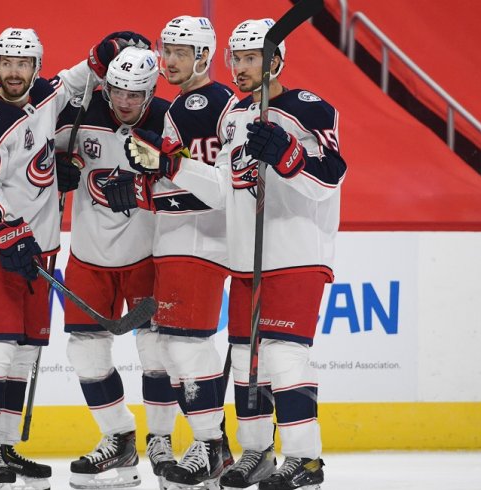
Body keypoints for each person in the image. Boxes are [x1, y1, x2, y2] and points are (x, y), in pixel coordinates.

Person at [124, 18, 347, 490]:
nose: (242, 68)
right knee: (248, 362)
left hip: (297, 252)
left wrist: (290, 158)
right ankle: (257, 452)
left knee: (283, 358)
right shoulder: (235, 118)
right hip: (248, 259)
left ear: (276, 61)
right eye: (237, 58)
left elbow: (331, 178)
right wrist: (170, 165)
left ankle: (306, 459)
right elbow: (223, 188)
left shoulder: (309, 108)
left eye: (253, 58)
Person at [0, 27, 146, 490]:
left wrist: (104, 52)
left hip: (38, 250)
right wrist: (6, 228)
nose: (13, 73)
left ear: (35, 67)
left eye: (22, 64)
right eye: (5, 63)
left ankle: (2, 448)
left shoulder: (47, 95)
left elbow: (81, 77)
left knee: (23, 354)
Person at [113, 15, 241, 490]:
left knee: (186, 346)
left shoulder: (219, 104)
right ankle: (213, 446)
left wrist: (163, 169)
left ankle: (211, 447)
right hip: (174, 239)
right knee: (174, 347)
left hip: (201, 240)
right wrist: (137, 186)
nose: (167, 61)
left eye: (179, 53)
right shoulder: (180, 106)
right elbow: (170, 178)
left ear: (204, 56)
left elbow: (224, 186)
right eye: (166, 51)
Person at [52, 44, 173, 490]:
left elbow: (192, 174)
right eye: (117, 91)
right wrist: (56, 168)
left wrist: (147, 181)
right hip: (89, 256)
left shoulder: (167, 119)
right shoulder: (81, 113)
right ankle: (117, 438)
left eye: (134, 95)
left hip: (147, 254)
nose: (124, 102)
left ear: (151, 91)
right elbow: (35, 142)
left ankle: (160, 438)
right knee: (84, 352)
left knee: (157, 351)